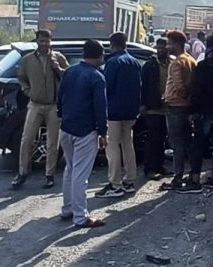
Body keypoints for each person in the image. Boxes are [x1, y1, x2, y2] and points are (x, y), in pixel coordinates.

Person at [57, 39, 108, 229]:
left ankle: (67, 208)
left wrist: (61, 115)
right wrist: (103, 132)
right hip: (86, 130)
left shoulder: (70, 71)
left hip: (67, 127)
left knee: (70, 169)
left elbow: (60, 96)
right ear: (99, 55)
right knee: (81, 174)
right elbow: (100, 107)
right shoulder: (97, 77)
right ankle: (80, 217)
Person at [11, 29, 68, 190]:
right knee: (27, 139)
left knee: (52, 142)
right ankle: (22, 173)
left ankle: (49, 174)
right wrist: (27, 91)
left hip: (53, 105)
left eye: (47, 41)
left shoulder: (58, 58)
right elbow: (21, 78)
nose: (44, 44)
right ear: (37, 41)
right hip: (35, 104)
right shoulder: (28, 60)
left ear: (51, 41)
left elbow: (67, 77)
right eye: (41, 41)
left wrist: (57, 68)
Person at [179, 34, 213, 193]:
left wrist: (192, 111)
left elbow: (196, 90)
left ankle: (194, 179)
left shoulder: (201, 67)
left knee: (198, 145)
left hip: (204, 112)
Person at [95, 32, 142, 198]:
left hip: (114, 111)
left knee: (112, 146)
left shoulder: (113, 62)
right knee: (128, 144)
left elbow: (106, 87)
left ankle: (115, 184)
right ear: (125, 43)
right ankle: (130, 180)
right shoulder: (134, 62)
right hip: (131, 111)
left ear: (111, 45)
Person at [163, 30, 196, 189]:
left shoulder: (177, 63)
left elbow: (179, 86)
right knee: (187, 142)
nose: (167, 47)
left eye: (169, 43)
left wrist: (180, 97)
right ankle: (192, 174)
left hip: (176, 107)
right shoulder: (190, 60)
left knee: (177, 144)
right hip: (185, 107)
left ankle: (178, 177)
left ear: (176, 44)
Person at [140, 37, 170, 179]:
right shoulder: (150, 66)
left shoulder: (171, 64)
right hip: (153, 108)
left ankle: (160, 166)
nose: (160, 50)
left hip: (167, 108)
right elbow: (142, 86)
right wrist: (142, 104)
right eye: (158, 48)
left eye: (163, 48)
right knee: (153, 139)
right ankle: (149, 169)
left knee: (162, 139)